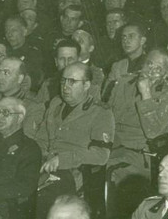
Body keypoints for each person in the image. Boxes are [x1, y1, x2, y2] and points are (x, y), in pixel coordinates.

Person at [104, 49, 168, 219]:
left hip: (139, 155)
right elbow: (106, 115)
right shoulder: (123, 82)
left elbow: (153, 131)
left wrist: (146, 94)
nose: (152, 70)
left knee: (110, 175)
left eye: (159, 68)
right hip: (111, 146)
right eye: (149, 64)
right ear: (143, 63)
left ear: (167, 72)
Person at [33, 62, 114, 195]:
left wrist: (63, 159)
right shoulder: (56, 103)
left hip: (73, 172)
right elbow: (41, 139)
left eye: (72, 82)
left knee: (42, 196)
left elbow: (101, 155)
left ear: (86, 85)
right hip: (44, 166)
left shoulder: (101, 112)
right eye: (63, 81)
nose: (65, 86)